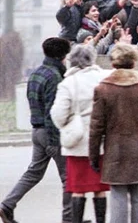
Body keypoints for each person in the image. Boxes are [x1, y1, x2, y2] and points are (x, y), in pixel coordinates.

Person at [0, 37, 73, 223]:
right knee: (68, 178)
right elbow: (52, 112)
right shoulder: (55, 77)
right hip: (50, 132)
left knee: (33, 173)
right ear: (62, 56)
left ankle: (7, 205)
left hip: (36, 130)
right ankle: (70, 218)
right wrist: (55, 141)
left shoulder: (36, 73)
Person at [89, 43, 138, 223]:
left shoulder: (103, 89)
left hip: (115, 151)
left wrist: (93, 156)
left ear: (113, 64)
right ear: (134, 63)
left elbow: (96, 127)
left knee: (118, 197)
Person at [50, 44, 112, 223]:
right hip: (101, 140)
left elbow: (58, 115)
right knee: (100, 188)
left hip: (77, 142)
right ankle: (101, 220)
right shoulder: (105, 77)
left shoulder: (68, 83)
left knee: (78, 188)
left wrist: (68, 123)